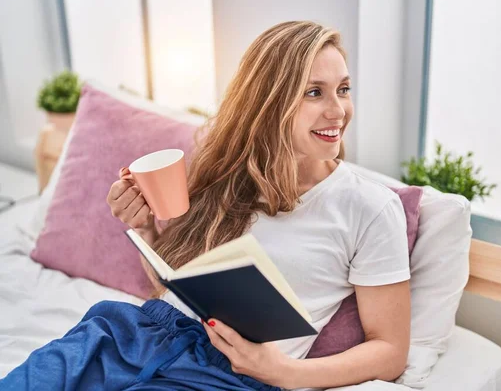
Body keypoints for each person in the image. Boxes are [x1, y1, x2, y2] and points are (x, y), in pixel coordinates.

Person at [1, 21, 410, 391]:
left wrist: (285, 372)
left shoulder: (369, 208)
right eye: (314, 92)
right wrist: (145, 228)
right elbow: (173, 285)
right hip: (137, 330)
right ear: (267, 101)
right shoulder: (225, 171)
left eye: (343, 89)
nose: (338, 110)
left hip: (228, 375)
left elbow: (390, 351)